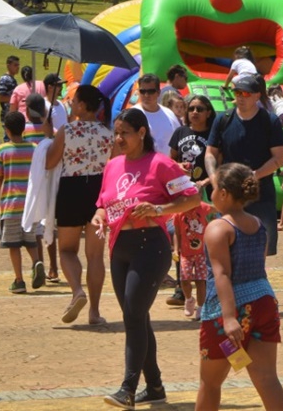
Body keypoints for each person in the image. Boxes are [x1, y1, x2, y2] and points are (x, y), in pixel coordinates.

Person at [93, 107, 200, 409]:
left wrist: (159, 210)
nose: (118, 138)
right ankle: (154, 387)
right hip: (119, 247)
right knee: (136, 316)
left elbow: (192, 197)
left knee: (133, 315)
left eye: (124, 132)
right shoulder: (113, 165)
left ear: (141, 133)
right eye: (116, 133)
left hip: (150, 246)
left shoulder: (161, 164)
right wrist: (99, 216)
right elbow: (103, 204)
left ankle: (127, 388)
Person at [195, 163, 283, 411]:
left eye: (213, 189)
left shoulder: (218, 228)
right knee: (267, 378)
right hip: (264, 302)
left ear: (224, 193)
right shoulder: (259, 224)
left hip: (230, 310)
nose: (210, 194)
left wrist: (229, 318)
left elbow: (222, 274)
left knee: (210, 382)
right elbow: (259, 266)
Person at [204, 73, 283, 256]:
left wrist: (253, 176)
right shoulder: (223, 118)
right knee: (225, 246)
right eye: (237, 93)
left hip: (260, 195)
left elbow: (278, 159)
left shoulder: (270, 121)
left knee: (260, 251)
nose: (240, 97)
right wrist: (214, 178)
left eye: (246, 93)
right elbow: (210, 153)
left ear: (257, 95)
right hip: (229, 196)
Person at [54, 84, 112, 326]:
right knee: (95, 255)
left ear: (80, 105)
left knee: (67, 250)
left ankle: (77, 290)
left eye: (74, 100)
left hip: (71, 188)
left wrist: (49, 139)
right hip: (99, 189)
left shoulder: (66, 131)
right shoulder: (108, 133)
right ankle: (94, 312)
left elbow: (49, 162)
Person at [0, 111, 45, 293]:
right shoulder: (33, 148)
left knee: (13, 244)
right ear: (24, 128)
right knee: (30, 241)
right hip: (30, 205)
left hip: (11, 204)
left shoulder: (2, 150)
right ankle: (37, 262)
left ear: (6, 129)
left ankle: (19, 280)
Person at [133, 73, 181, 155]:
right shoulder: (132, 115)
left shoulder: (169, 114)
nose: (146, 95)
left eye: (151, 91)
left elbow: (179, 141)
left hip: (167, 165)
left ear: (158, 92)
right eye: (142, 91)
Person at [0, 55, 20, 124]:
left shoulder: (13, 79)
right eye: (15, 65)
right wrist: (17, 99)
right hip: (7, 114)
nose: (18, 67)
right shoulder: (4, 79)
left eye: (18, 65)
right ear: (8, 66)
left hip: (13, 113)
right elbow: (1, 98)